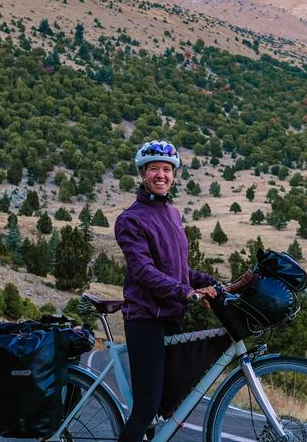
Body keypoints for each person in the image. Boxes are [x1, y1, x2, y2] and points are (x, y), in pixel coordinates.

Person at [115, 140, 217, 442]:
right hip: (146, 318)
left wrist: (211, 284)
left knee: (164, 406)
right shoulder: (130, 219)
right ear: (143, 174)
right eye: (154, 169)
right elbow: (144, 272)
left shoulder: (172, 215)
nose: (161, 174)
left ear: (174, 175)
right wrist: (186, 293)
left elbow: (179, 269)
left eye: (167, 169)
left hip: (172, 314)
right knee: (145, 411)